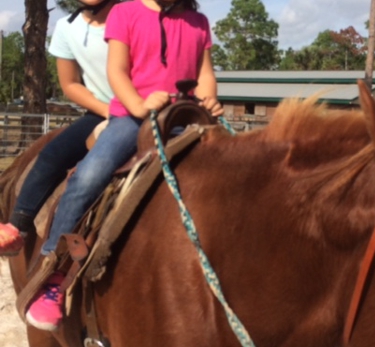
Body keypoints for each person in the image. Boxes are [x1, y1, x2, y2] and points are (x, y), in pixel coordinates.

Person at [22, 0, 223, 332]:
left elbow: (204, 74)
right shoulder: (124, 12)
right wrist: (140, 105)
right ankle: (52, 269)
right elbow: (117, 70)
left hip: (186, 117)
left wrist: (209, 99)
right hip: (131, 118)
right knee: (88, 176)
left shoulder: (198, 21)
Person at [0, 0, 118, 256]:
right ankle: (19, 223)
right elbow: (70, 85)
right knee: (52, 155)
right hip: (101, 112)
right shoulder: (67, 28)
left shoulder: (135, 19)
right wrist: (107, 109)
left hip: (148, 107)